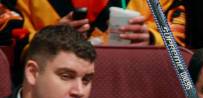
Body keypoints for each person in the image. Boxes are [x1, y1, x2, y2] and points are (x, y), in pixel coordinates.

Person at [13, 0, 185, 47]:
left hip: (129, 85)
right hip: (46, 87)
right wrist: (49, 38)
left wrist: (151, 39)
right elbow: (7, 41)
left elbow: (184, 35)